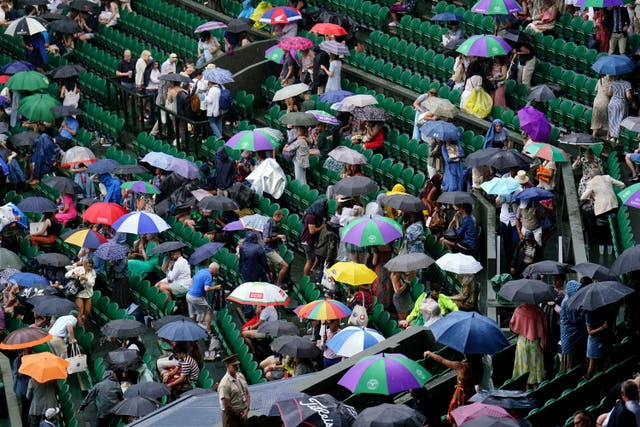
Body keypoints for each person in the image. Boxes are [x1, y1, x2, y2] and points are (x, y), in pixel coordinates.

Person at [424, 351, 482, 423]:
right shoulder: (480, 367)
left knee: (456, 419)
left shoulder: (461, 366)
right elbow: (476, 382)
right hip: (472, 395)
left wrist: (429, 353)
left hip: (460, 397)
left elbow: (442, 360)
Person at [510, 303, 546, 390]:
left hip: (522, 342)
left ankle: (526, 389)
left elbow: (512, 327)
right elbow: (543, 329)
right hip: (535, 343)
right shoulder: (539, 311)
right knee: (535, 366)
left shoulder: (519, 310)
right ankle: (536, 389)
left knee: (524, 367)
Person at [559, 280, 587, 373]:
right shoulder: (568, 302)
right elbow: (574, 320)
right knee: (570, 360)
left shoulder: (571, 299)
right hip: (570, 336)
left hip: (575, 334)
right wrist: (583, 311)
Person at [186, 262, 220, 335]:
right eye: (217, 270)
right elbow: (206, 288)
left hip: (189, 294)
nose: (217, 272)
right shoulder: (208, 276)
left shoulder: (201, 271)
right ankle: (208, 330)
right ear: (214, 270)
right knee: (208, 310)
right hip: (195, 297)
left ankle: (193, 328)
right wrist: (216, 287)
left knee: (192, 313)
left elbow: (191, 280)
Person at [219, 354, 250, 427]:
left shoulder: (240, 376)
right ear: (227, 366)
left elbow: (247, 394)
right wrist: (240, 414)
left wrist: (246, 410)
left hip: (243, 413)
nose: (237, 367)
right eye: (234, 365)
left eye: (237, 364)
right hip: (231, 417)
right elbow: (227, 406)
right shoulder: (224, 384)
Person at [262, 210, 289, 288]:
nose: (282, 220)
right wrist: (278, 236)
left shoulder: (271, 223)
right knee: (285, 266)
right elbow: (266, 240)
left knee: (271, 266)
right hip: (269, 250)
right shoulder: (269, 224)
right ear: (278, 216)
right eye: (281, 218)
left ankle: (271, 282)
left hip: (271, 248)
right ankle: (278, 284)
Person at [65, 259, 95, 327]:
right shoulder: (79, 269)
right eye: (88, 266)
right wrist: (74, 274)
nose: (89, 268)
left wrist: (86, 279)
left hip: (88, 293)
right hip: (79, 293)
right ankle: (79, 327)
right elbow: (66, 274)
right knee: (80, 312)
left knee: (87, 311)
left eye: (91, 267)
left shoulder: (93, 272)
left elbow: (92, 284)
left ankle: (85, 325)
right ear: (84, 265)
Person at [301, 199, 327, 276]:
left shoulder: (314, 215)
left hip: (311, 241)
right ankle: (305, 277)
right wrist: (323, 226)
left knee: (314, 258)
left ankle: (312, 270)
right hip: (307, 241)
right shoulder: (310, 216)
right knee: (309, 261)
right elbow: (312, 231)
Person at [607, 75, 633, 144]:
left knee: (612, 119)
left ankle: (612, 137)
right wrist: (631, 101)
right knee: (620, 120)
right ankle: (617, 138)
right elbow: (628, 96)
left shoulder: (613, 83)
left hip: (612, 103)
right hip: (620, 103)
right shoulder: (627, 83)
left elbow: (609, 94)